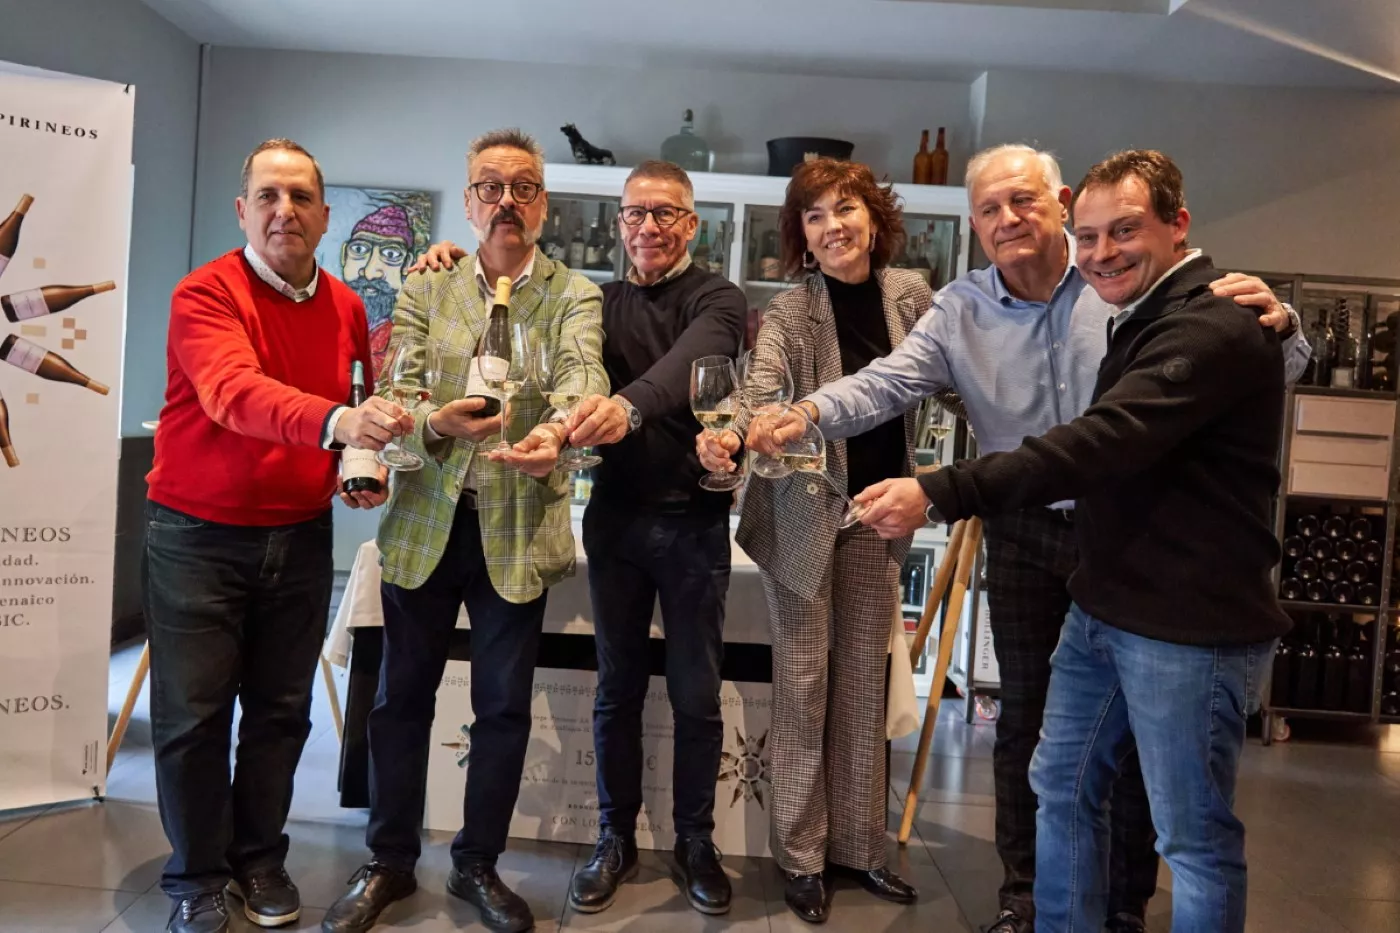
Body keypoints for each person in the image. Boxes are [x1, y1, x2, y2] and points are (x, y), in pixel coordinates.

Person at [772, 144, 1309, 933]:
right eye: (989, 209)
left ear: (1058, 202)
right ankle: (1028, 899)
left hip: (1136, 540)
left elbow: (1165, 413)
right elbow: (886, 381)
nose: (1007, 220)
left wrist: (1286, 324)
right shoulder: (961, 307)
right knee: (1036, 734)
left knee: (1154, 779)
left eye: (1023, 202)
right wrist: (810, 412)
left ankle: (1124, 901)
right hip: (1027, 529)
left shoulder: (1129, 294)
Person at [413, 159, 748, 917]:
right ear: (620, 222)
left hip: (694, 523)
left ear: (691, 225)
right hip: (616, 520)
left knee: (696, 695)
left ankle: (696, 841)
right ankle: (613, 838)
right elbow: (534, 342)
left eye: (666, 213)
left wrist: (624, 410)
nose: (649, 226)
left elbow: (681, 371)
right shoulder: (595, 300)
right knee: (616, 689)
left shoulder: (719, 299)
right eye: (635, 213)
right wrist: (446, 257)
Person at [322, 128, 607, 933]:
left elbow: (583, 375)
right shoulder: (428, 285)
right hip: (424, 523)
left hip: (516, 526)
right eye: (491, 186)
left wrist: (562, 429)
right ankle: (388, 860)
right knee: (399, 700)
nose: (507, 201)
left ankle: (478, 862)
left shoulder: (574, 295)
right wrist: (430, 423)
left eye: (523, 187)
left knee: (503, 708)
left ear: (543, 204)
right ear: (471, 199)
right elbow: (394, 390)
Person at [145, 138, 410, 933]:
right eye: (267, 195)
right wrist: (338, 421)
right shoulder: (204, 294)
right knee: (192, 718)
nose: (283, 210)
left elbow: (356, 407)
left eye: (299, 197)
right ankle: (195, 873)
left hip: (296, 535)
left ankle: (258, 856)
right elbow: (232, 394)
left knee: (281, 712)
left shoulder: (347, 305)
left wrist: (359, 464)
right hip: (195, 535)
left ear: (326, 216)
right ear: (242, 210)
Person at [696, 158, 927, 924]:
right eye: (816, 215)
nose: (833, 225)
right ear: (801, 234)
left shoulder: (910, 295)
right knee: (803, 686)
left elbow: (953, 376)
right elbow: (760, 390)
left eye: (846, 208)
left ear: (875, 217)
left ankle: (859, 849)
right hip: (800, 514)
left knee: (862, 684)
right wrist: (739, 429)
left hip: (874, 512)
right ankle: (801, 859)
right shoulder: (794, 310)